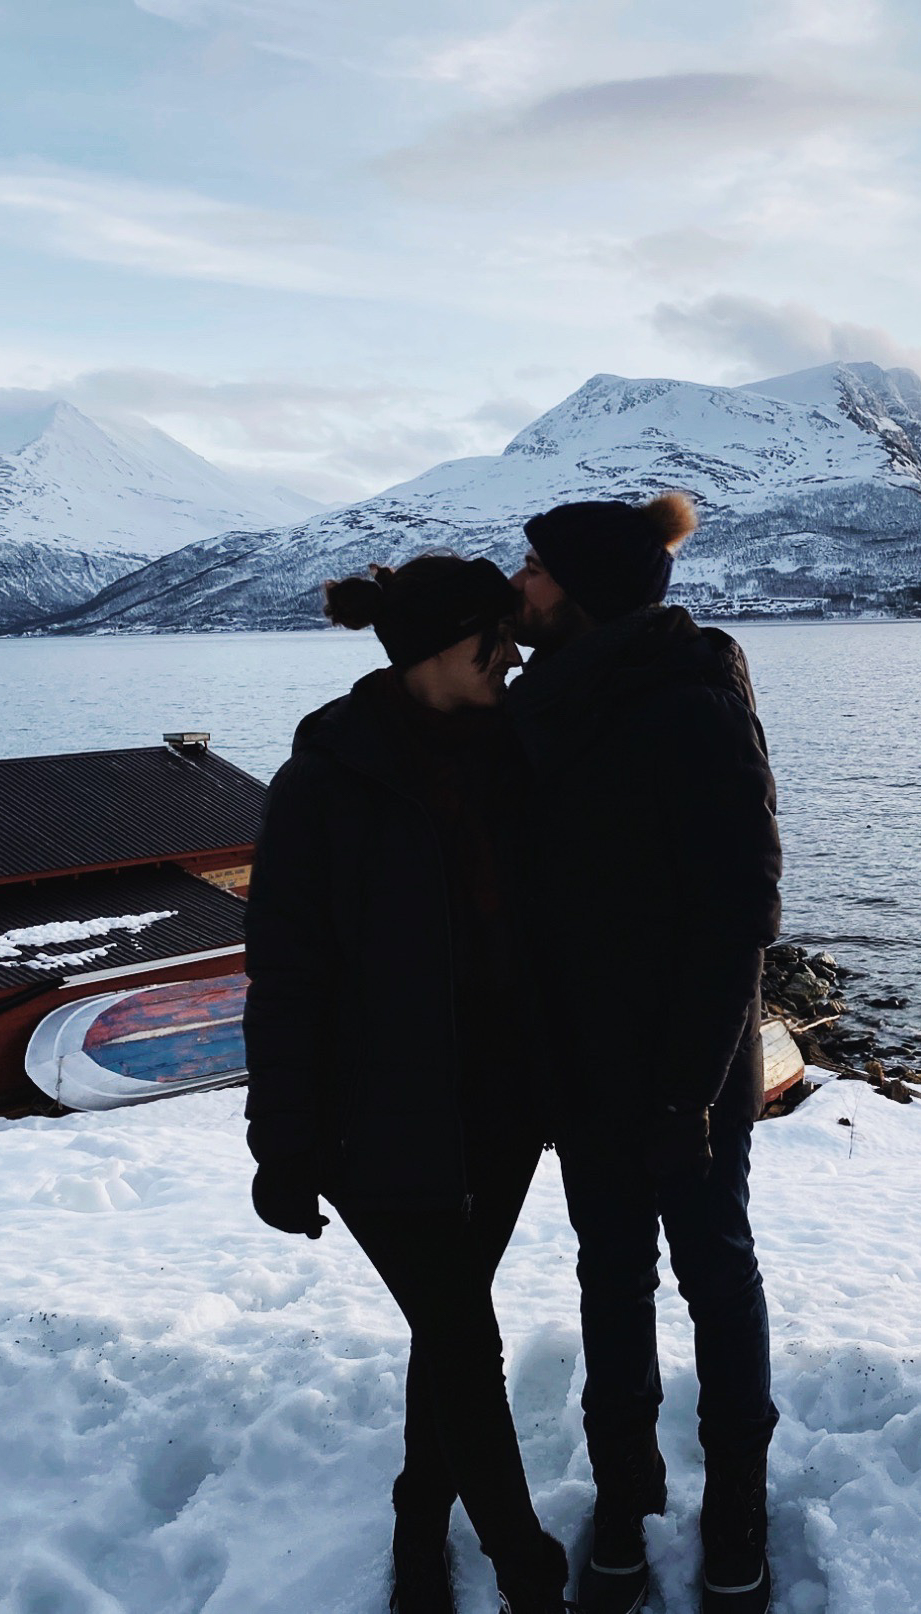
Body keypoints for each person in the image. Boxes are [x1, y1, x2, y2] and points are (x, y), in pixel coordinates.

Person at [243, 553, 570, 1614]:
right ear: (434, 648)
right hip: (373, 1119)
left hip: (502, 1107)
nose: (513, 654)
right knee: (465, 1338)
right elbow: (286, 971)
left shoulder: (520, 753)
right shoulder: (322, 786)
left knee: (451, 1322)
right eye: (494, 638)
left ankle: (420, 1519)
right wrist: (282, 1144)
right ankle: (523, 1562)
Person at [508, 494, 782, 1614]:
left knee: (713, 1270)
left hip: (689, 1062)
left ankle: (737, 1528)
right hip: (580, 1057)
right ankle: (622, 1509)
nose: (515, 584)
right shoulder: (541, 703)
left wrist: (686, 1093)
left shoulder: (690, 701)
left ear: (578, 587)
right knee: (609, 1281)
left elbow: (738, 916)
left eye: (531, 569)